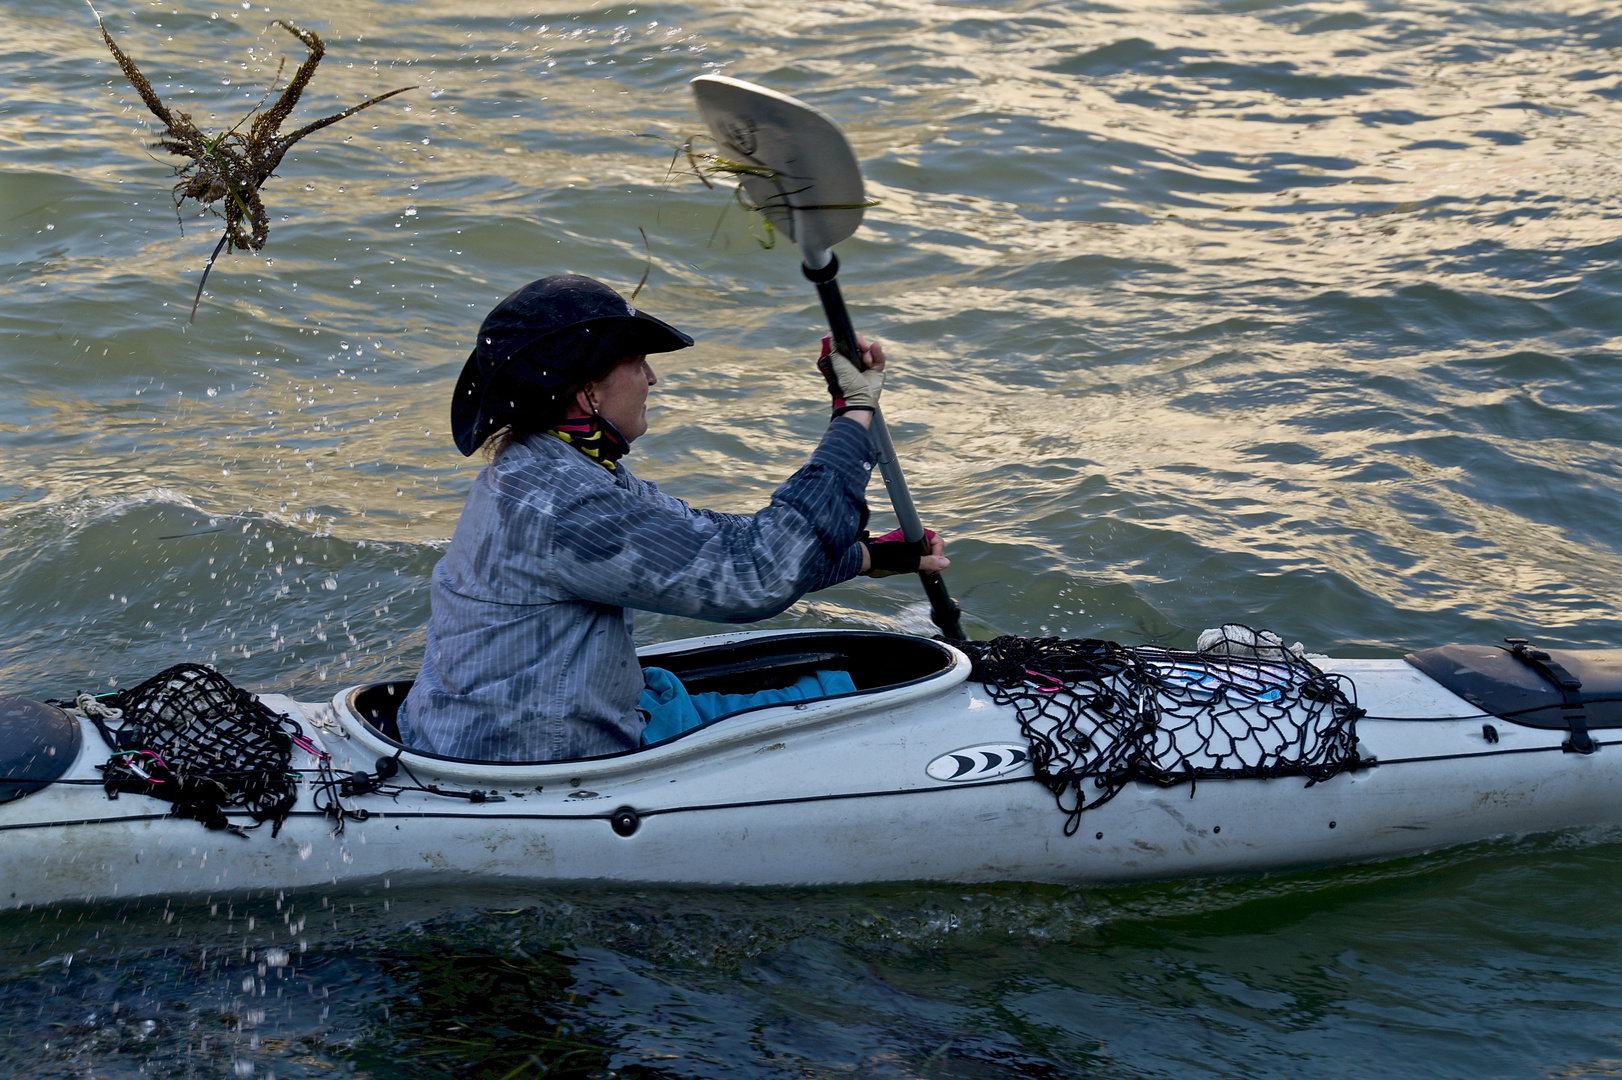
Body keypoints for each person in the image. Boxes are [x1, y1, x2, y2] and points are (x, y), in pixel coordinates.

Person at [397, 274, 947, 762]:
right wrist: (854, 417)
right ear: (588, 390)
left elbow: (717, 542)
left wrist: (868, 556)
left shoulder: (550, 467)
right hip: (528, 759)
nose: (652, 379)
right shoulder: (563, 502)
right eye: (637, 363)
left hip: (482, 730)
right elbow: (752, 579)